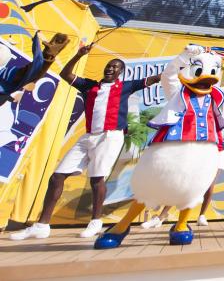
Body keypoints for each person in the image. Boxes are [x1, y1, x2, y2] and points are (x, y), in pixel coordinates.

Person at [11, 45, 160, 240]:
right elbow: (66, 74)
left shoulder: (126, 86)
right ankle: (41, 225)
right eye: (108, 66)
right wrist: (78, 55)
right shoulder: (90, 86)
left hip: (110, 136)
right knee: (57, 177)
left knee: (96, 179)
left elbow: (157, 78)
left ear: (121, 72)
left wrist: (182, 66)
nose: (110, 69)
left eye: (115, 67)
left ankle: (95, 222)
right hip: (89, 136)